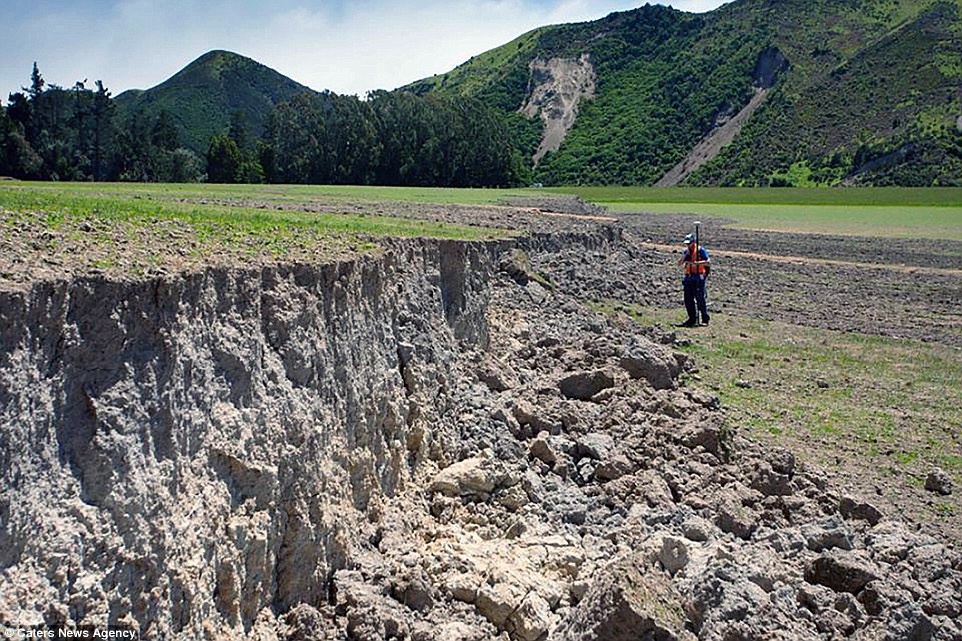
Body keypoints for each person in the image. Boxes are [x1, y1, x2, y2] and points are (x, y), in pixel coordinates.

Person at [678, 232, 710, 327]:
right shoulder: (686, 251)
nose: (688, 245)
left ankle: (705, 318)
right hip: (688, 278)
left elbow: (708, 263)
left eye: (689, 243)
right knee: (688, 299)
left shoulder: (701, 250)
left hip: (698, 277)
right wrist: (685, 255)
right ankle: (692, 319)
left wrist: (697, 263)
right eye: (686, 243)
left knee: (700, 299)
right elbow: (679, 263)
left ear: (693, 242)